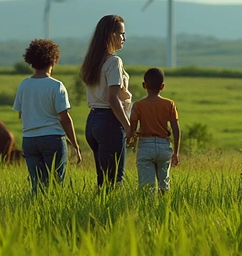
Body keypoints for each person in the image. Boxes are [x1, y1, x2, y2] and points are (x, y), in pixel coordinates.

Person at [14, 39, 82, 191]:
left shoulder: (24, 85)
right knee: (56, 185)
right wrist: (75, 145)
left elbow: (20, 114)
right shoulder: (56, 85)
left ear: (31, 61)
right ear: (53, 60)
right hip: (52, 139)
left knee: (37, 186)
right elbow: (64, 118)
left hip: (29, 140)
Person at [79, 15, 132, 188]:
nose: (124, 38)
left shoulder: (93, 61)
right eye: (122, 34)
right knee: (115, 180)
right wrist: (127, 126)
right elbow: (112, 98)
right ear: (111, 34)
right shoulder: (114, 61)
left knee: (103, 179)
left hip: (93, 122)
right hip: (110, 122)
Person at [127, 68, 181, 192]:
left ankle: (147, 209)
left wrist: (130, 140)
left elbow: (132, 127)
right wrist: (176, 153)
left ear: (144, 86)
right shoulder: (169, 104)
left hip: (146, 146)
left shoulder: (139, 105)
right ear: (162, 86)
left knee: (146, 188)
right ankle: (164, 208)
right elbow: (176, 129)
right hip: (164, 146)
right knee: (164, 186)